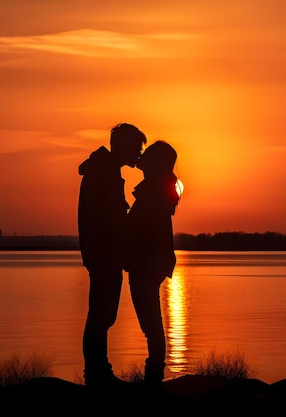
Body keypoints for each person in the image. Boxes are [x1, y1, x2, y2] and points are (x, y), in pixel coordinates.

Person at [77, 122, 147, 387]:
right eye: (136, 149)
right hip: (103, 254)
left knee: (103, 315)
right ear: (125, 146)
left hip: (105, 254)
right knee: (100, 315)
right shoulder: (103, 172)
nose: (138, 154)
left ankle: (98, 370)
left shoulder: (107, 170)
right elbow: (106, 219)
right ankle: (96, 374)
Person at [124, 140, 180, 386]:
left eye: (147, 154)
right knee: (152, 325)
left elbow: (139, 229)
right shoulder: (157, 189)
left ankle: (153, 379)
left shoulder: (154, 192)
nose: (142, 156)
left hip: (147, 265)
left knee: (151, 326)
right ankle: (154, 376)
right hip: (151, 264)